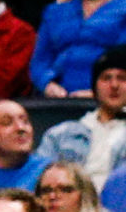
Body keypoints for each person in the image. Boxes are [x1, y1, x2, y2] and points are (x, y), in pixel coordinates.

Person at [40, 45, 126, 183]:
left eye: (122, 78)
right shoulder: (60, 135)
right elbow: (40, 181)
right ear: (94, 87)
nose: (114, 85)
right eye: (106, 78)